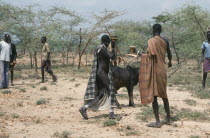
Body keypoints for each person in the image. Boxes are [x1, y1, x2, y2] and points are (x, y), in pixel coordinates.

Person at [139, 24, 172, 128]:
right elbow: (169, 54)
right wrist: (170, 62)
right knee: (164, 94)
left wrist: (141, 55)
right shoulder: (165, 40)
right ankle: (168, 118)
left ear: (153, 30)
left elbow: (151, 54)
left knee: (154, 95)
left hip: (154, 70)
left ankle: (157, 121)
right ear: (160, 30)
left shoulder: (151, 41)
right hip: (162, 70)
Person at [79, 35, 117, 119]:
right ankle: (111, 113)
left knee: (100, 94)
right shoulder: (103, 49)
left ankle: (84, 108)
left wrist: (112, 48)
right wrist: (113, 48)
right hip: (102, 73)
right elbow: (111, 57)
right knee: (110, 91)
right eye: (109, 42)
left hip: (99, 73)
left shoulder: (98, 48)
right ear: (107, 42)